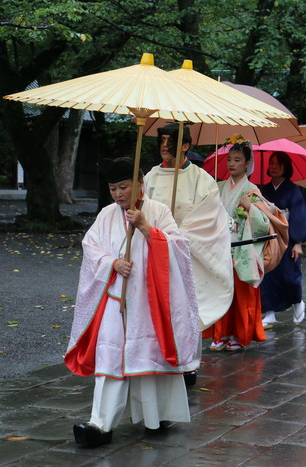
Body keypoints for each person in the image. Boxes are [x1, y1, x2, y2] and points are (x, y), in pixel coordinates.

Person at [65, 158, 199, 448]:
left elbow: (179, 249)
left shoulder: (158, 211)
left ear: (140, 183)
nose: (118, 194)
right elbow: (91, 247)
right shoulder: (106, 215)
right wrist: (113, 263)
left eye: (123, 187)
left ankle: (156, 415)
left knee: (148, 358)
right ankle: (100, 425)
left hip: (148, 303)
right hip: (115, 300)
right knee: (110, 357)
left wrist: (148, 229)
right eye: (112, 188)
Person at [143, 123, 233, 382]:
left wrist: (176, 235)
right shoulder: (150, 177)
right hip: (154, 252)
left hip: (186, 255)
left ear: (184, 146)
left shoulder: (202, 180)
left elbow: (209, 220)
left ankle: (188, 364)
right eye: (161, 140)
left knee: (186, 308)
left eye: (170, 142)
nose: (163, 147)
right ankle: (155, 358)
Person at [203, 140, 269, 351]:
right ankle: (220, 333)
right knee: (219, 291)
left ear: (247, 163)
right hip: (219, 245)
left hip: (240, 246)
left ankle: (239, 336)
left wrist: (251, 209)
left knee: (241, 294)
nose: (232, 164)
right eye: (229, 159)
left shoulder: (252, 190)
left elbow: (263, 223)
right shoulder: (218, 186)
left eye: (237, 160)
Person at [259, 151, 306, 327]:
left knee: (290, 275)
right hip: (268, 238)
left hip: (287, 239)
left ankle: (298, 302)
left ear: (286, 167)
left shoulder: (293, 190)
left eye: (279, 164)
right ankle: (270, 312)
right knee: (268, 276)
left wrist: (298, 243)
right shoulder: (263, 189)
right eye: (271, 163)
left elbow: (299, 215)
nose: (274, 167)